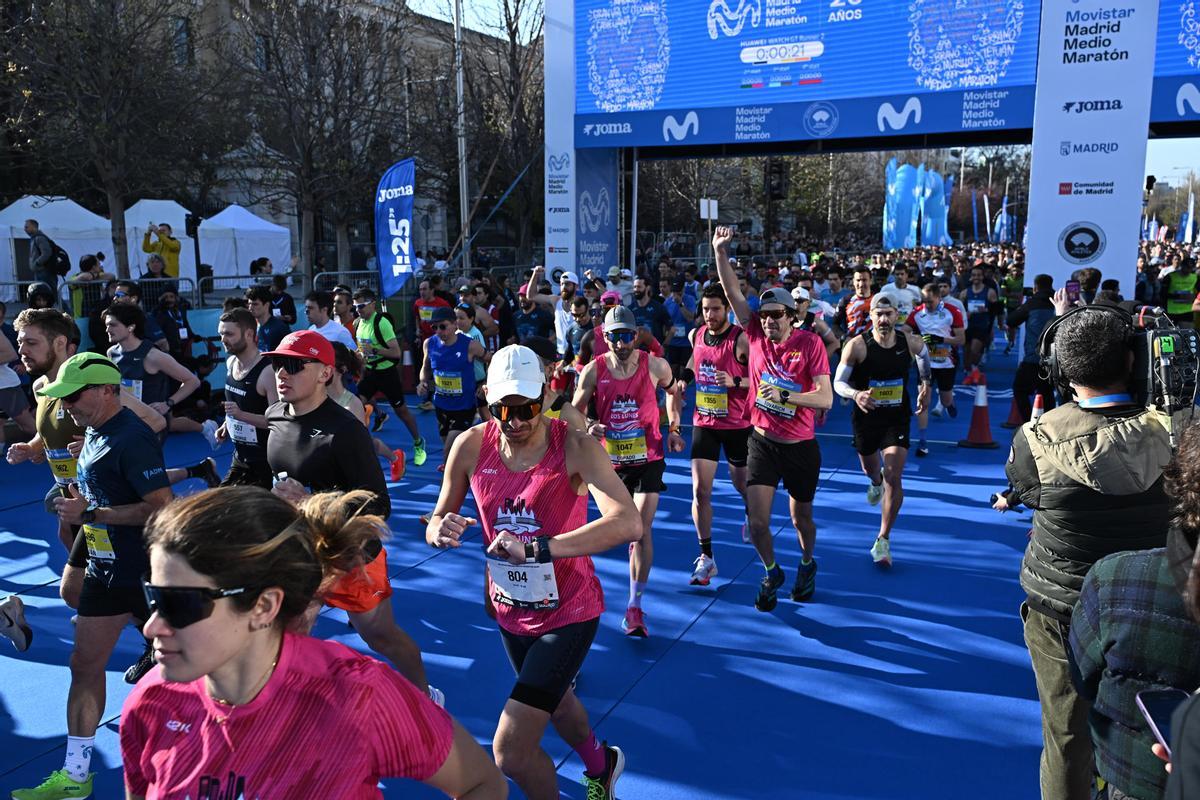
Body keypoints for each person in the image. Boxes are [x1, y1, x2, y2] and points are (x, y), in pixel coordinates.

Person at [120, 487, 507, 799]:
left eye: (180, 603)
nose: (153, 626)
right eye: (154, 597)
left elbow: (481, 784)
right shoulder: (150, 703)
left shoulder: (357, 696)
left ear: (263, 606)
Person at [427, 344, 641, 800]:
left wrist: (541, 549)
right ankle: (603, 766)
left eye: (527, 407)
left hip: (570, 609)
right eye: (505, 408)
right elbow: (436, 517)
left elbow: (628, 521)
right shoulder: (470, 445)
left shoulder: (576, 446)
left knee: (511, 753)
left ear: (546, 396)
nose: (517, 420)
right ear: (487, 398)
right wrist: (437, 528)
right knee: (559, 702)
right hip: (508, 608)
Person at [1005, 305, 1183, 800]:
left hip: (1061, 609)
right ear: (1134, 362)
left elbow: (1025, 490)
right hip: (1159, 609)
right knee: (1159, 735)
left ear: (1060, 370)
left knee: (1065, 738)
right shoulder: (1181, 433)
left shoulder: (1034, 439)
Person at [11, 353, 173, 800]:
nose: (65, 407)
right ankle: (77, 775)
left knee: (192, 676)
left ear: (107, 390)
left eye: (74, 396)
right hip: (105, 569)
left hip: (146, 573)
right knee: (83, 665)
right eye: (60, 398)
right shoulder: (95, 433)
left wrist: (95, 511)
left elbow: (161, 506)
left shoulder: (133, 437)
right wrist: (82, 499)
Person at [262, 330, 434, 697]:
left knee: (381, 636)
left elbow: (378, 505)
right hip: (297, 550)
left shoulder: (346, 430)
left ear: (325, 373)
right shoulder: (275, 415)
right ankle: (281, 714)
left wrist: (309, 499)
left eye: (294, 366)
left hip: (350, 553)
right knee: (285, 633)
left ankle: (425, 697)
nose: (281, 374)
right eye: (278, 365)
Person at [713, 226, 832, 611]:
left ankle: (807, 562)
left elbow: (825, 397)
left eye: (777, 316)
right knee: (759, 522)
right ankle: (771, 570)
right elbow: (732, 293)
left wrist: (788, 395)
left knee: (801, 520)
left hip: (800, 447)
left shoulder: (810, 344)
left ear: (792, 317)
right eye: (764, 316)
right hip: (762, 441)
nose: (769, 322)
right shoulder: (756, 336)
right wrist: (720, 251)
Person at [572, 306, 683, 636]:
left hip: (648, 457)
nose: (621, 343)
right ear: (604, 338)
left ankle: (634, 606)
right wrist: (588, 426)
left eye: (626, 336)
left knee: (640, 530)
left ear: (636, 336)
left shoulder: (656, 366)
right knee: (612, 528)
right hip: (610, 464)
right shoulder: (593, 371)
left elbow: (674, 391)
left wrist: (674, 427)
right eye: (614, 337)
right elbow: (572, 413)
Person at [833, 295, 931, 566]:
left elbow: (924, 355)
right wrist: (855, 395)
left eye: (889, 314)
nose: (884, 319)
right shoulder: (857, 346)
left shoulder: (909, 342)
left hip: (897, 417)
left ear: (897, 315)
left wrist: (925, 384)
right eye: (879, 314)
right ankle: (874, 482)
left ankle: (883, 539)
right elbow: (837, 382)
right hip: (866, 417)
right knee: (871, 469)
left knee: (893, 475)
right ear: (871, 316)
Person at [680, 283, 751, 586]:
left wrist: (735, 381)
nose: (710, 315)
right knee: (700, 492)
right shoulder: (696, 334)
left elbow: (760, 380)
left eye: (716, 309)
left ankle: (751, 510)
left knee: (741, 483)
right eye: (706, 309)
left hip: (737, 424)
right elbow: (694, 363)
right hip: (705, 423)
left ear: (727, 310)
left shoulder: (741, 339)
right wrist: (683, 379)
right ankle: (706, 557)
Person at [104, 303, 212, 441]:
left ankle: (207, 441)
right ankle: (206, 463)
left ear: (131, 327)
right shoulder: (111, 353)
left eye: (113, 325)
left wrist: (168, 403)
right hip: (126, 421)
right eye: (107, 325)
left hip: (152, 424)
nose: (107, 329)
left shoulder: (153, 356)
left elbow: (193, 381)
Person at [353, 288, 427, 464]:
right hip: (370, 372)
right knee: (355, 406)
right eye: (356, 307)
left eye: (362, 306)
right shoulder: (358, 323)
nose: (359, 310)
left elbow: (396, 353)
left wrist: (376, 350)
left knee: (401, 411)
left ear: (372, 304)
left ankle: (418, 440)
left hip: (387, 373)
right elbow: (363, 349)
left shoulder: (381, 323)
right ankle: (359, 444)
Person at [212, 308, 277, 488]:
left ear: (249, 334)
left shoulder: (267, 372)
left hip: (266, 462)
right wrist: (228, 423)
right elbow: (239, 406)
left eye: (229, 334)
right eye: (221, 334)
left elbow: (279, 422)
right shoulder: (231, 363)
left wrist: (240, 416)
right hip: (240, 457)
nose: (223, 339)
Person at [419, 307, 486, 466]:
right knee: (450, 445)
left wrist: (485, 383)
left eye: (442, 326)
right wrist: (422, 382)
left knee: (449, 450)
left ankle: (448, 483)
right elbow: (426, 367)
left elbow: (491, 359)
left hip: (465, 406)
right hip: (441, 405)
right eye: (434, 327)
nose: (438, 331)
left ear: (455, 325)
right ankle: (470, 467)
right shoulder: (429, 343)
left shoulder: (470, 345)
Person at [908, 281, 966, 456]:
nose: (926, 304)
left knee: (945, 399)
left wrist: (940, 339)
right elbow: (904, 331)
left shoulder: (952, 311)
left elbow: (961, 340)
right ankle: (923, 441)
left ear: (938, 297)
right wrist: (914, 338)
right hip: (925, 363)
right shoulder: (917, 313)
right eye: (923, 301)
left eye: (929, 301)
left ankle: (949, 402)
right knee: (923, 401)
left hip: (947, 362)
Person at [1006, 274, 1058, 426]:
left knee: (1019, 389)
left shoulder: (1032, 303)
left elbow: (1011, 320)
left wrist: (1023, 304)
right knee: (1047, 393)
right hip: (1054, 358)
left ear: (1035, 287)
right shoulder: (1059, 302)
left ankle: (1029, 422)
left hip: (1034, 357)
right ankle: (1047, 425)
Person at [959, 265, 998, 379]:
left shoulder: (990, 292)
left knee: (974, 350)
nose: (976, 277)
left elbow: (996, 310)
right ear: (971, 277)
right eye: (974, 275)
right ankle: (969, 371)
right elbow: (959, 309)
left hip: (982, 325)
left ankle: (974, 368)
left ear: (983, 276)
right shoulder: (965, 293)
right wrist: (964, 313)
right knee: (966, 353)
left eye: (979, 275)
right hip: (967, 326)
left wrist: (987, 310)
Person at [246, 285, 290, 353]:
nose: (250, 308)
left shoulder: (280, 328)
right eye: (249, 304)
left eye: (255, 304)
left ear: (266, 305)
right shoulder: (249, 327)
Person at [24, 219, 57, 294]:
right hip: (40, 272)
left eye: (27, 227)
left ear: (34, 227)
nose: (25, 229)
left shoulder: (39, 238)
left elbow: (47, 253)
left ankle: (63, 306)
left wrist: (37, 263)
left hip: (44, 272)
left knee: (52, 293)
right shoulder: (34, 238)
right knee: (44, 294)